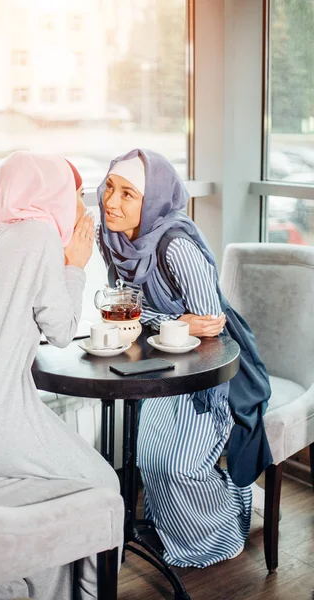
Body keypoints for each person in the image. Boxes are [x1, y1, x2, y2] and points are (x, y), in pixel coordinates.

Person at [0, 151, 120, 599]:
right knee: (104, 484)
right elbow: (60, 332)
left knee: (57, 496)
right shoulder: (37, 239)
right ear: (51, 194)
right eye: (74, 193)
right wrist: (75, 262)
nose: (81, 205)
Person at [96, 149, 272, 569]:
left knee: (173, 462)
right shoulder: (114, 239)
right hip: (161, 363)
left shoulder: (176, 247)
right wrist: (170, 321)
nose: (111, 202)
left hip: (213, 368)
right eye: (109, 188)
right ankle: (172, 527)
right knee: (146, 452)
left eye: (128, 194)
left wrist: (154, 321)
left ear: (152, 198)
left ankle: (226, 522)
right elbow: (130, 309)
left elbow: (210, 325)